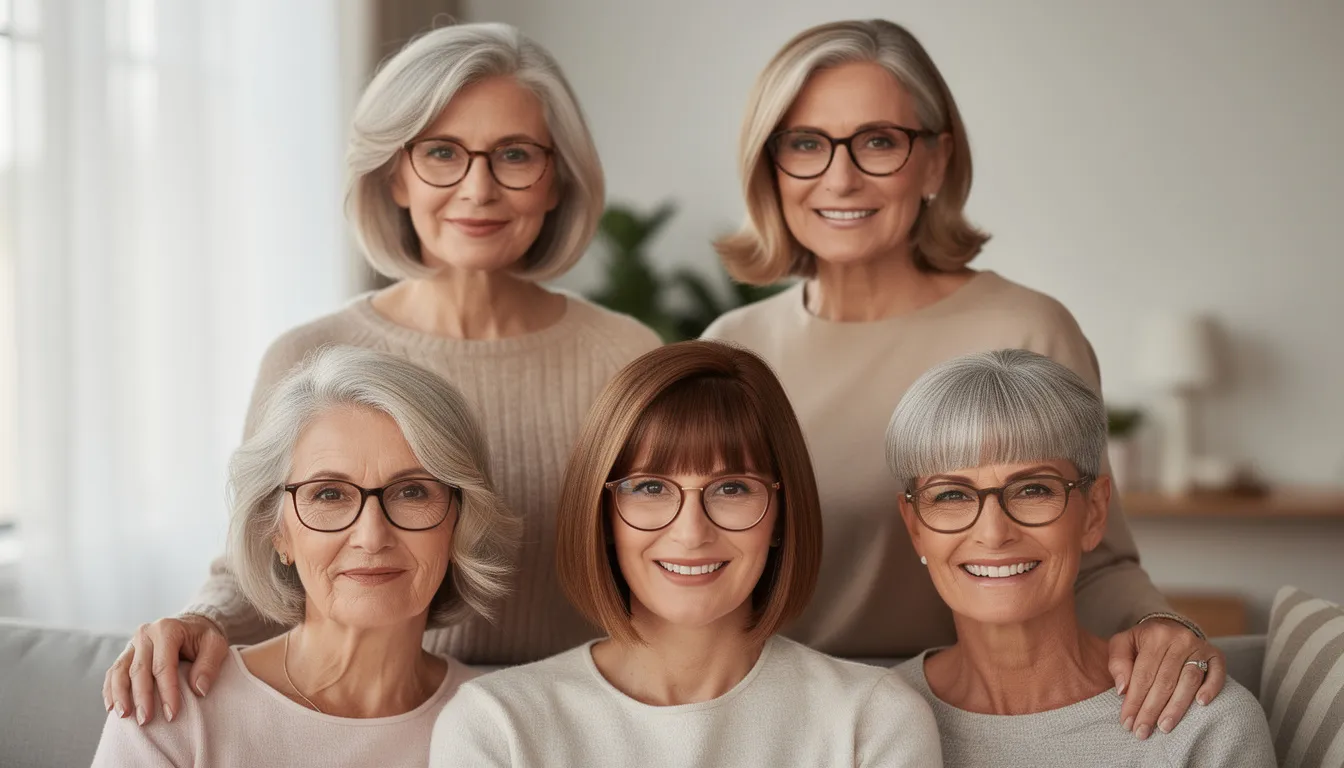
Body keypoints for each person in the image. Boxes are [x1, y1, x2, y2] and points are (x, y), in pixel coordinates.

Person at [103, 22, 660, 724]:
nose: (478, 189)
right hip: (398, 714)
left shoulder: (626, 355)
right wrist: (198, 621)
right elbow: (267, 559)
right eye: (441, 153)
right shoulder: (310, 355)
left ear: (556, 181)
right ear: (394, 174)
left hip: (578, 717)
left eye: (514, 155)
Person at [703, 18, 1225, 737]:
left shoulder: (1026, 331)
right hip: (787, 723)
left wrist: (1160, 625)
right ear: (770, 166)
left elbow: (1093, 556)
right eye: (805, 144)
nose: (840, 175)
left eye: (878, 141)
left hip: (971, 715)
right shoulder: (732, 351)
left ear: (936, 160)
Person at [428, 341, 942, 767]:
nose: (691, 532)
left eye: (733, 489)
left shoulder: (872, 720)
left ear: (783, 515)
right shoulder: (499, 724)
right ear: (601, 513)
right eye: (650, 488)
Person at [92, 346, 521, 766]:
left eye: (412, 491)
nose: (371, 536)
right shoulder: (169, 708)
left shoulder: (505, 724)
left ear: (460, 521)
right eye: (329, 494)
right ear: (278, 533)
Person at [885, 349, 1275, 766]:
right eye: (952, 495)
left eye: (1033, 489)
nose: (994, 533)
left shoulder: (1206, 726)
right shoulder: (866, 721)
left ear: (1094, 512)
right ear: (915, 527)